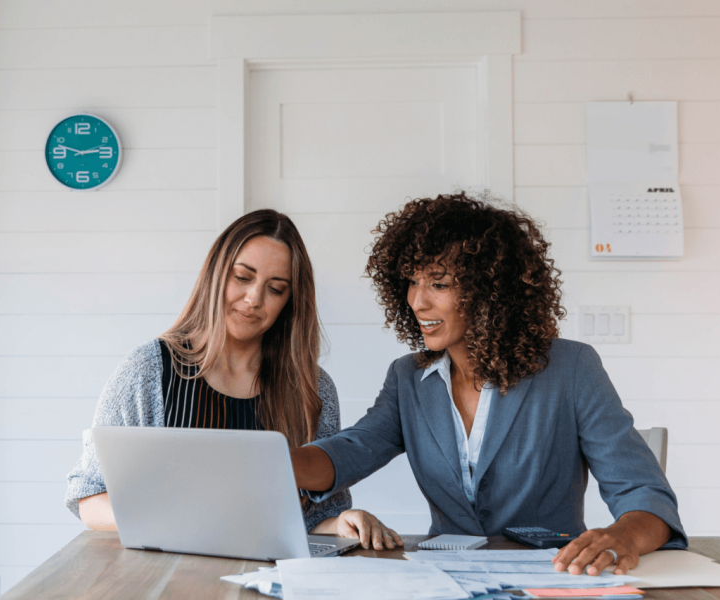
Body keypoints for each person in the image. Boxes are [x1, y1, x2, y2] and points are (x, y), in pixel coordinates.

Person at [290, 193, 687, 575]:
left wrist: (622, 536)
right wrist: (274, 462)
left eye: (439, 284)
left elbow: (646, 496)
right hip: (446, 579)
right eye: (412, 281)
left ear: (491, 291)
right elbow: (350, 452)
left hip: (549, 577)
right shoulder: (408, 378)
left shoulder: (571, 369)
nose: (417, 302)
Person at [65, 209, 400, 547]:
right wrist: (178, 522)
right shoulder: (149, 370)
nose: (253, 299)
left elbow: (312, 519)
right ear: (216, 274)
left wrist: (341, 523)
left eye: (276, 289)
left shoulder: (312, 387)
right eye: (242, 277)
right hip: (170, 573)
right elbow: (88, 497)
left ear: (290, 301)